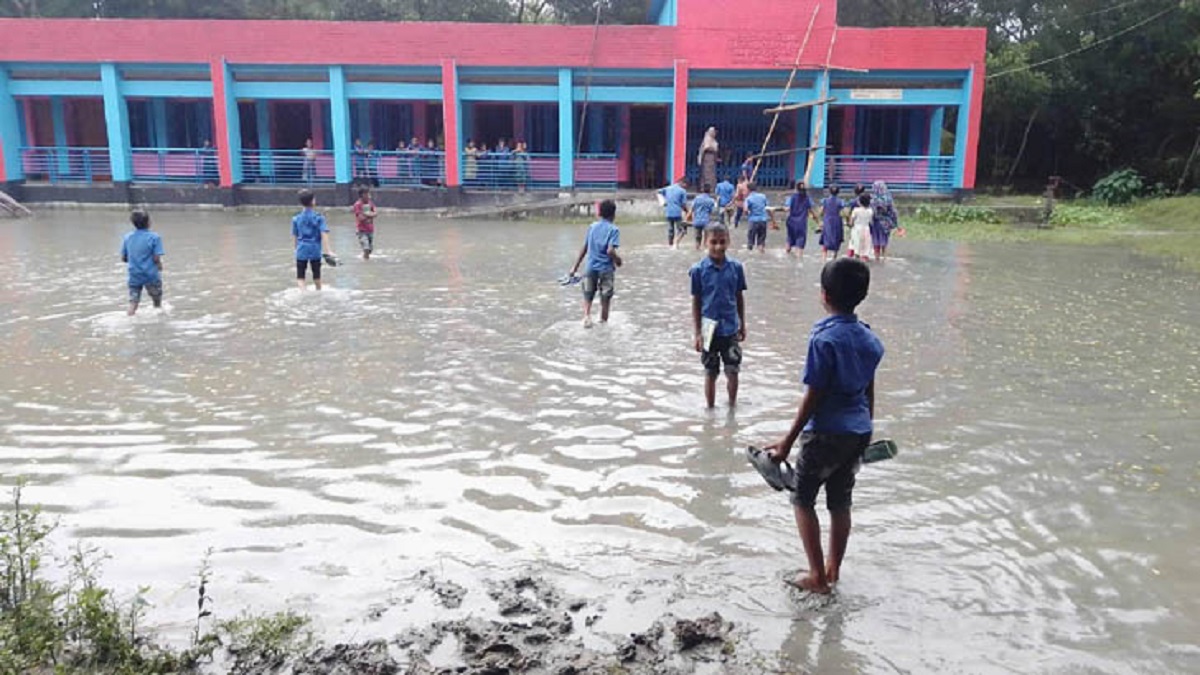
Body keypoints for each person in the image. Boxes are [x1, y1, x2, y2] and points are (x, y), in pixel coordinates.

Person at [762, 257, 884, 595]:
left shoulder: (823, 340)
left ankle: (816, 577)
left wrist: (787, 442)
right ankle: (833, 569)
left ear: (823, 295)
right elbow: (868, 387)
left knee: (802, 499)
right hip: (857, 431)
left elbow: (812, 397)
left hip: (825, 433)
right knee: (840, 501)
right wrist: (867, 428)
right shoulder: (869, 338)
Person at [689, 224, 746, 409]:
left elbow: (739, 297)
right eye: (713, 242)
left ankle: (732, 407)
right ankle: (710, 408)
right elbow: (696, 302)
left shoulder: (736, 268)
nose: (718, 247)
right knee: (710, 372)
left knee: (733, 371)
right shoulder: (698, 271)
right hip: (708, 329)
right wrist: (698, 333)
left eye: (722, 242)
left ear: (728, 242)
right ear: (705, 242)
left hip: (730, 327)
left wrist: (743, 324)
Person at [567, 199, 623, 328]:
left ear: (599, 213)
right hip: (606, 270)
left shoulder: (592, 227)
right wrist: (618, 260)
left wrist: (574, 267)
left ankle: (586, 317)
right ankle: (603, 323)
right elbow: (610, 250)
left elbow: (584, 248)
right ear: (614, 215)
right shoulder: (614, 229)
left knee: (588, 295)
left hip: (590, 268)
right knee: (605, 298)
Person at [121, 209, 164, 316]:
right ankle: (158, 313)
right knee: (156, 299)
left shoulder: (128, 237)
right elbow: (156, 258)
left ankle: (129, 316)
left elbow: (124, 258)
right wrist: (159, 266)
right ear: (149, 222)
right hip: (151, 275)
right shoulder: (154, 237)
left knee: (133, 301)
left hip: (134, 274)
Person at [293, 189, 336, 291]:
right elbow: (324, 233)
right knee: (317, 276)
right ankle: (318, 290)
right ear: (313, 201)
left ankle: (303, 293)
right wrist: (328, 251)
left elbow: (295, 236)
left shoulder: (296, 219)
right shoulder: (319, 218)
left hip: (301, 250)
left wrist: (296, 249)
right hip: (315, 250)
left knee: (300, 276)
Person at [784, 181, 819, 257]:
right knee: (800, 243)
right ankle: (799, 260)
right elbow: (812, 211)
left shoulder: (791, 198)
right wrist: (818, 222)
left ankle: (786, 255)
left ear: (796, 188)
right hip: (801, 224)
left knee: (789, 239)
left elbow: (787, 209)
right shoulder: (807, 199)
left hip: (791, 222)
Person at [870, 180, 899, 260]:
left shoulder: (872, 199)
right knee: (884, 241)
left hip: (875, 223)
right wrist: (895, 223)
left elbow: (870, 212)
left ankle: (877, 258)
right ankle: (885, 258)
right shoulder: (888, 198)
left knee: (876, 241)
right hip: (886, 223)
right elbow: (893, 211)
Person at [658, 177, 689, 249]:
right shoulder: (682, 191)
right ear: (683, 183)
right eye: (686, 185)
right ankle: (676, 244)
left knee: (670, 230)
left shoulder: (668, 188)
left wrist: (662, 202)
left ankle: (670, 244)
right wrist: (688, 211)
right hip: (677, 213)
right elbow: (683, 204)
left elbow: (658, 192)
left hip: (668, 212)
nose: (686, 187)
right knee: (681, 230)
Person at [820, 186, 846, 261]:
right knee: (837, 237)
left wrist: (821, 219)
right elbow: (844, 212)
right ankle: (834, 257)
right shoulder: (840, 201)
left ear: (829, 191)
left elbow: (821, 211)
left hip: (827, 220)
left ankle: (824, 258)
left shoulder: (825, 200)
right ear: (838, 192)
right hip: (837, 221)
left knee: (826, 237)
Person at [744, 181, 772, 252]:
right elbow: (768, 208)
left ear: (748, 189)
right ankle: (761, 252)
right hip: (763, 220)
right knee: (761, 242)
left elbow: (745, 210)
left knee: (750, 242)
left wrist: (748, 213)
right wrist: (772, 219)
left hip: (753, 221)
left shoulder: (748, 199)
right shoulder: (763, 196)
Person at [690, 183, 718, 250]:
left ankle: (697, 247)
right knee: (707, 235)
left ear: (702, 190)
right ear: (710, 190)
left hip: (697, 220)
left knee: (697, 236)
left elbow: (692, 209)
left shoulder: (697, 198)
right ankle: (705, 247)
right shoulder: (711, 200)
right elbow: (713, 212)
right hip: (706, 220)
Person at [353, 186, 377, 260]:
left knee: (369, 250)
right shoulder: (357, 205)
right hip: (361, 230)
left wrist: (366, 214)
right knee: (366, 248)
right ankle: (366, 263)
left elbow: (376, 213)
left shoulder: (370, 203)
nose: (368, 195)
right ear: (362, 195)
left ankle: (365, 258)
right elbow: (360, 218)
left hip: (370, 230)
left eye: (368, 193)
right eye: (366, 194)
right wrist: (370, 215)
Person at [848, 193, 874, 261]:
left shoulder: (856, 210)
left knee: (855, 244)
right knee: (865, 245)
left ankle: (854, 257)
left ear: (860, 202)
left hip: (857, 229)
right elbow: (871, 222)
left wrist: (849, 225)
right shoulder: (870, 211)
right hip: (866, 229)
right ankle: (864, 257)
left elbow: (851, 222)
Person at [698, 126, 719, 191]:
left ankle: (711, 188)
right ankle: (705, 188)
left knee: (711, 174)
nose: (715, 134)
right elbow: (706, 148)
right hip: (708, 158)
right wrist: (713, 149)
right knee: (707, 173)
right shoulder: (707, 139)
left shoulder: (713, 140)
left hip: (712, 159)